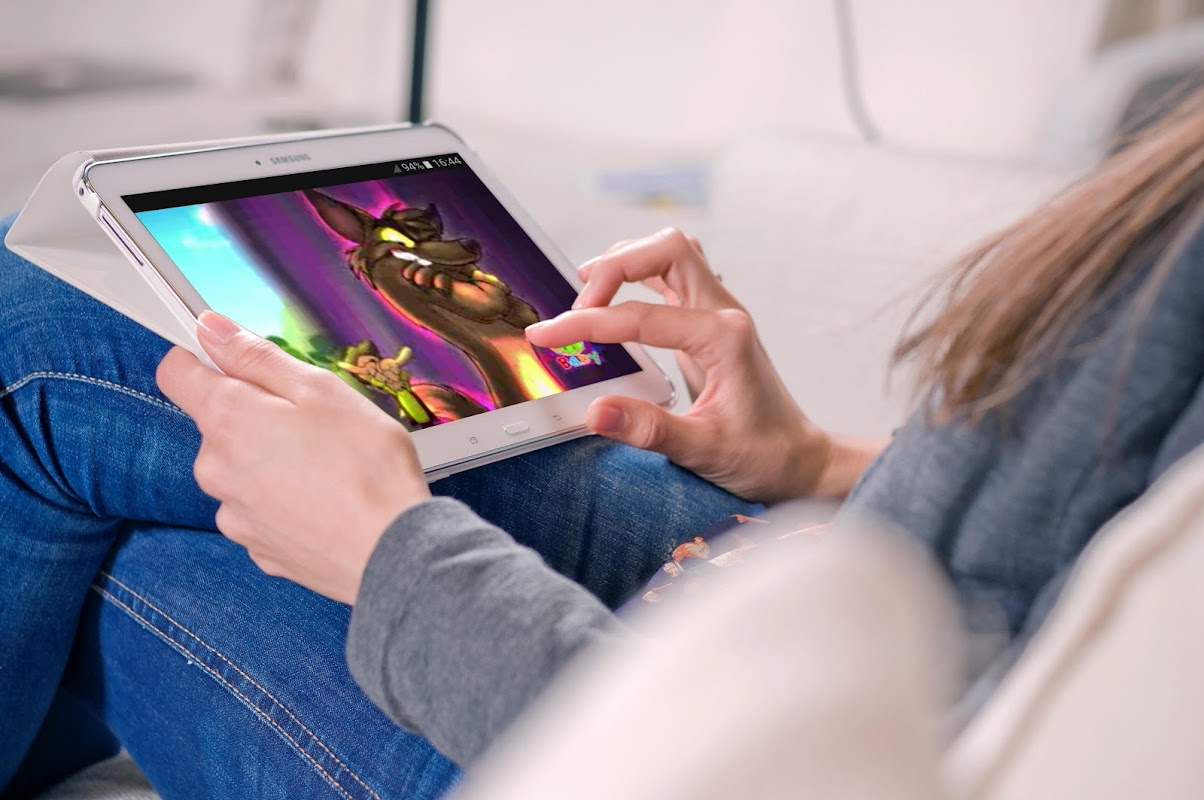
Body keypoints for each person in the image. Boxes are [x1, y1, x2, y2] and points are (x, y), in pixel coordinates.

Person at [2, 90, 1202, 798]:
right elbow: (1081, 542)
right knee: (61, 325)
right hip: (802, 581)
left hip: (682, 737)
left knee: (47, 383)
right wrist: (818, 462)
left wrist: (393, 554)